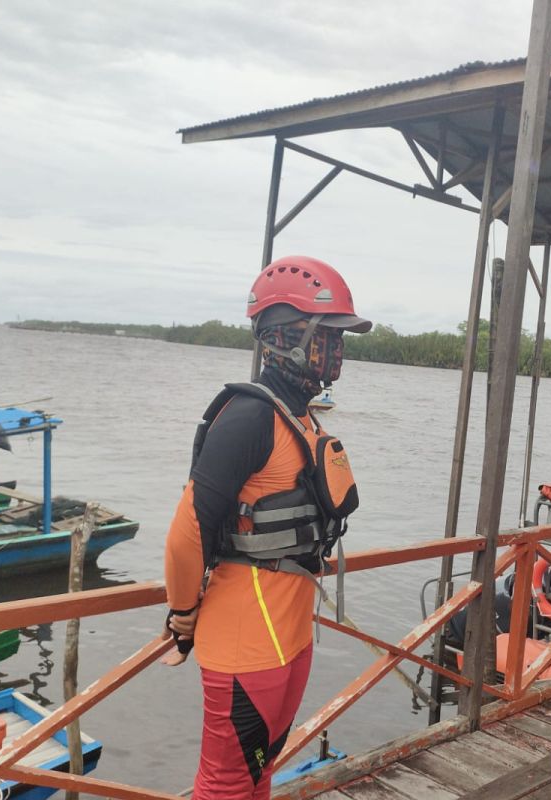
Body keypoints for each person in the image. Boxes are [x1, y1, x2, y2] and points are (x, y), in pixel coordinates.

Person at [162, 255, 371, 800]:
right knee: (225, 784)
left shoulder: (300, 416)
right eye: (329, 336)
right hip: (245, 645)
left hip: (291, 639)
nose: (339, 350)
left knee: (259, 777)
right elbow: (186, 534)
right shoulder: (250, 416)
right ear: (285, 336)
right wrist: (183, 615)